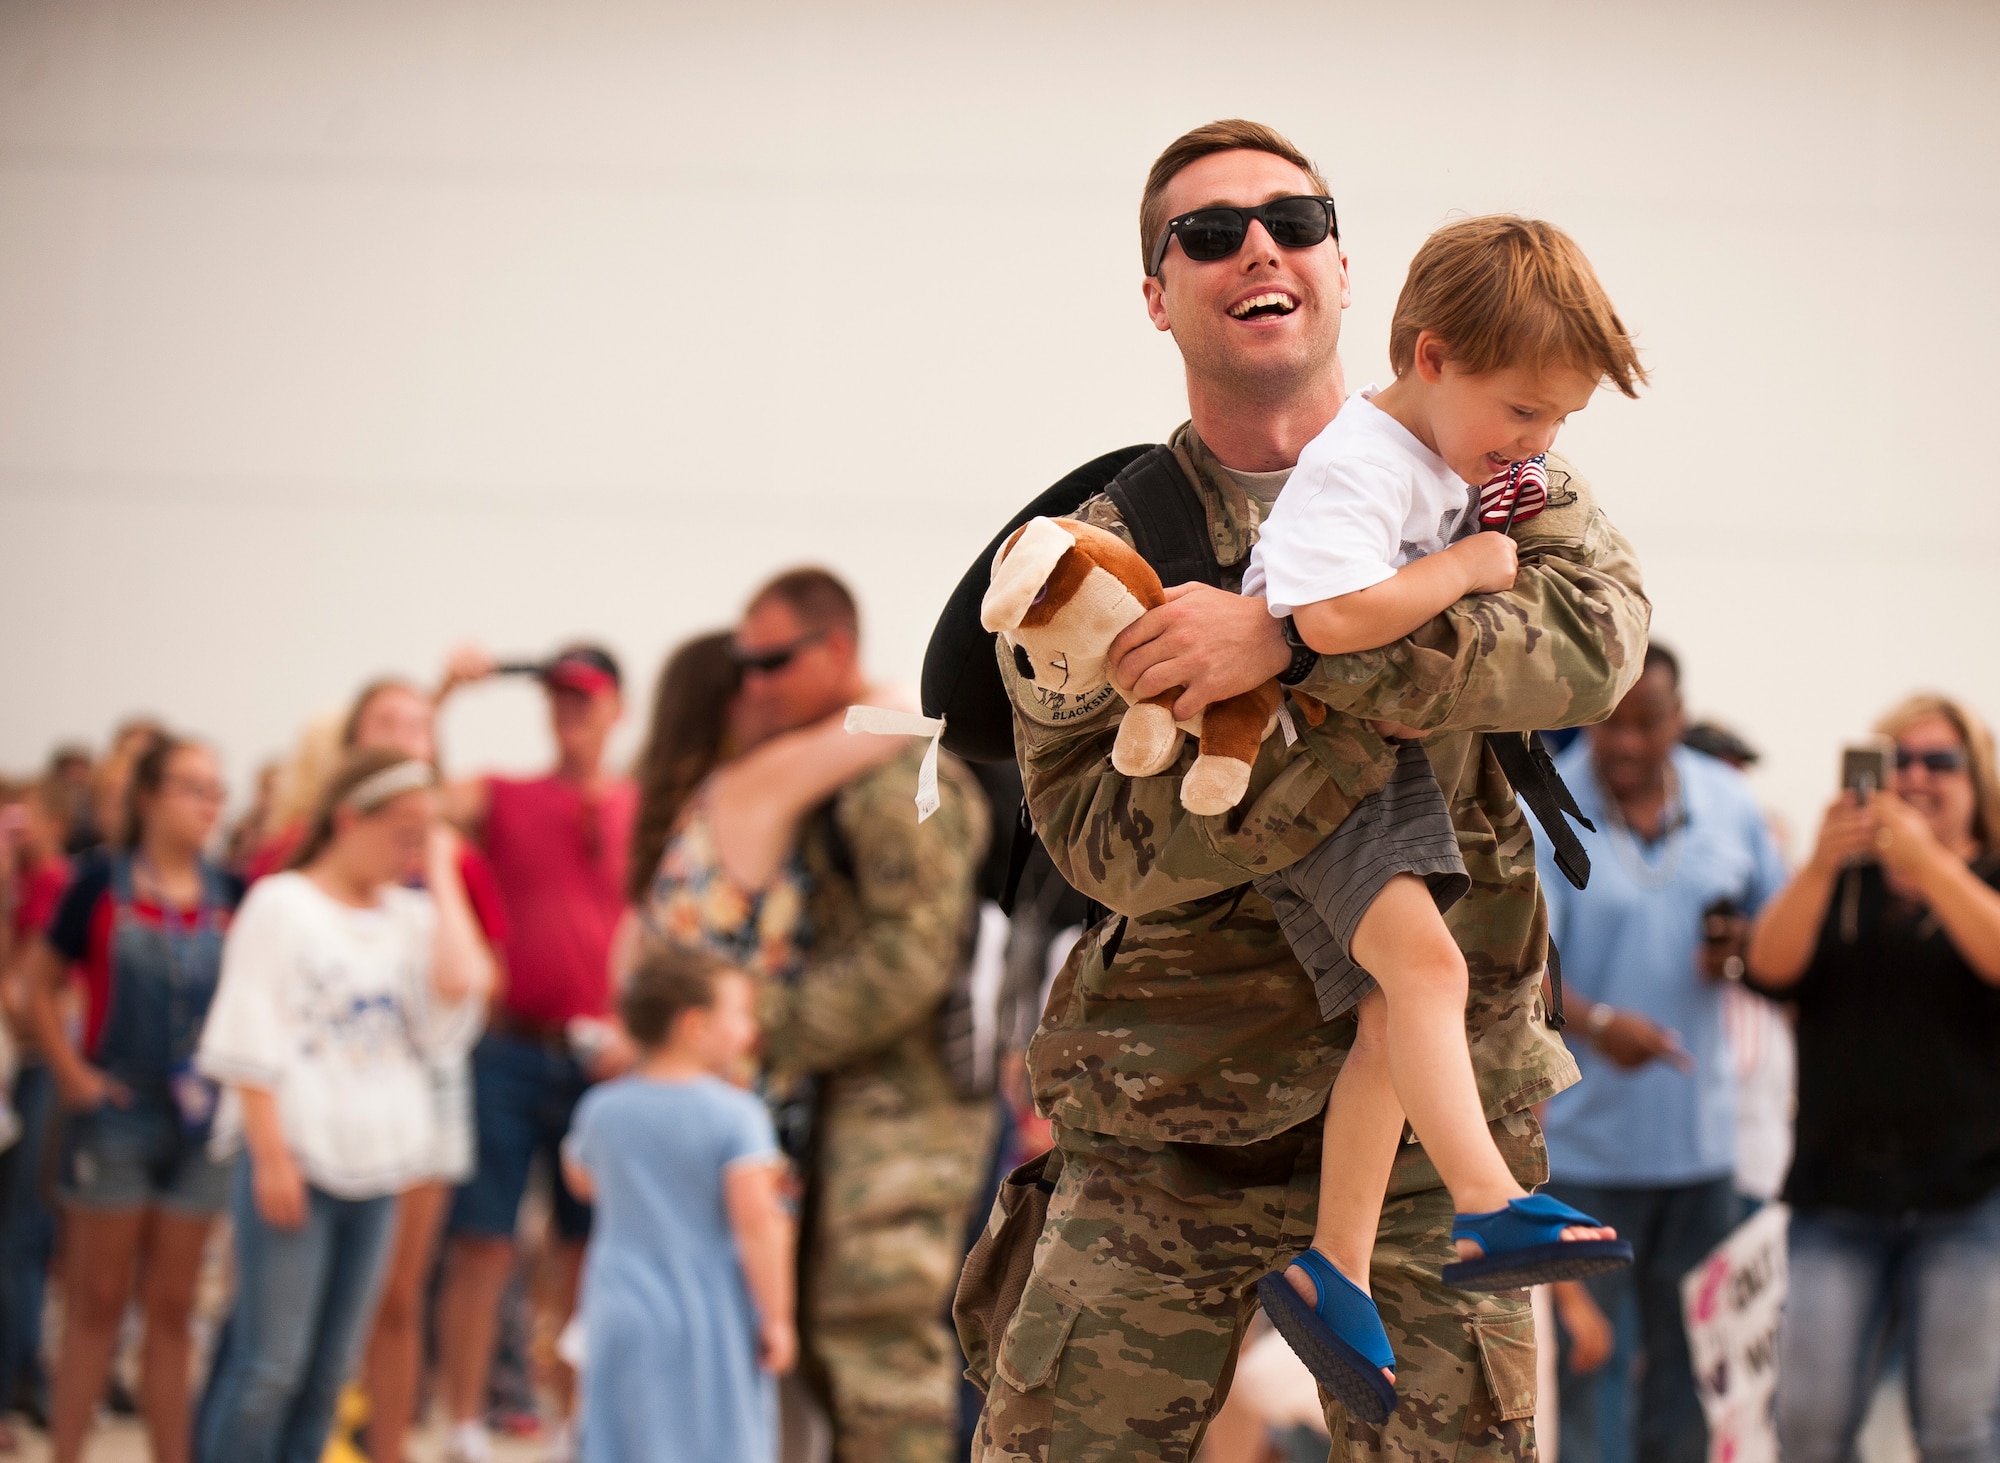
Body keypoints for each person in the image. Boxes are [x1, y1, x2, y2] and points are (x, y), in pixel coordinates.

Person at [958, 119, 1649, 1462]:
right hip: (1171, 1122)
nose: (1258, 246)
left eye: (1295, 218)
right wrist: (1360, 676)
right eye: (1208, 233)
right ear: (1158, 294)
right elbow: (1115, 846)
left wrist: (1286, 643)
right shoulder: (1092, 563)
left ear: (1347, 270)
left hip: (1435, 1145)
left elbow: (1591, 649)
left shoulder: (1499, 471)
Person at [1234, 215, 1640, 1413]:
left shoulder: (1433, 461)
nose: (1538, 438)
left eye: (1557, 420)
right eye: (1521, 410)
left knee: (1386, 1011)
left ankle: (1333, 1269)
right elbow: (1323, 617)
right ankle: (1484, 1203)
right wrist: (1465, 566)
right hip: (1304, 757)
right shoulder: (1362, 461)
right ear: (1431, 354)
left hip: (1358, 761)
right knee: (1427, 975)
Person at [719, 569, 994, 1463]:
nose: (755, 683)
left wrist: (764, 1021)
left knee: (880, 1346)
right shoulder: (838, 769)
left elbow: (910, 956)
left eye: (774, 661)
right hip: (854, 1098)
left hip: (907, 1109)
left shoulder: (891, 779)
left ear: (836, 649)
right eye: (743, 667)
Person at [1524, 646, 1785, 1463]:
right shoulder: (1548, 807)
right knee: (1593, 1368)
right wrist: (1600, 1025)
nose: (1627, 741)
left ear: (1678, 720)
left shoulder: (1729, 804)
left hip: (1701, 1155)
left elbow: (1780, 941)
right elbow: (1524, 973)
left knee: (1691, 1375)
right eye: (1611, 720)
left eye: (1647, 721)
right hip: (1587, 1154)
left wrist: (1741, 948)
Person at [194, 747, 491, 1463]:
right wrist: (270, 1155)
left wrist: (444, 870)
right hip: (298, 1159)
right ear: (347, 818)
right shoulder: (282, 904)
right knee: (271, 1366)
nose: (412, 846)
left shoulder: (411, 916)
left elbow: (465, 978)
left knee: (330, 1373)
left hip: (379, 1167)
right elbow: (248, 1035)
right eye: (403, 828)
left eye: (427, 831)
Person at [253, 677, 509, 1463]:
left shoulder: (449, 853)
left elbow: (482, 977)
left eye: (419, 725)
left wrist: (435, 862)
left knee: (397, 1296)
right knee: (299, 1320)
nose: (405, 736)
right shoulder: (300, 851)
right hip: (319, 1084)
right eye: (387, 722)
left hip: (421, 1078)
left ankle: (385, 1445)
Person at [1745, 694, 2000, 1463]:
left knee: (1956, 1429)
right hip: (1838, 1192)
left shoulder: (1988, 873)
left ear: (1976, 777)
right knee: (1809, 1427)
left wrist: (1931, 865)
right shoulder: (1841, 880)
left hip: (1967, 1197)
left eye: (1940, 761)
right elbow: (1769, 965)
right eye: (1901, 761)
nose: (1918, 777)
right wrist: (1822, 863)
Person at [433, 644, 637, 1463]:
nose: (571, 715)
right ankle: (461, 1421)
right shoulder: (504, 793)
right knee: (483, 1240)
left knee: (586, 1248)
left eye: (585, 700)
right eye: (558, 700)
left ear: (617, 706)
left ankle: (575, 1420)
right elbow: (409, 798)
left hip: (606, 1058)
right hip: (510, 1048)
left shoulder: (646, 803)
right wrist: (444, 697)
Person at [22, 735, 241, 1463]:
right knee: (97, 1302)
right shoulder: (99, 883)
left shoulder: (228, 892)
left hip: (197, 1117)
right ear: (148, 795)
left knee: (175, 1308)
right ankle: (70, 1450)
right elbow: (38, 985)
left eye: (216, 789)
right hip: (115, 1108)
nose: (208, 803)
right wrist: (70, 1070)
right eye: (191, 787)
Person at [561, 942, 795, 1463]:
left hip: (618, 1309)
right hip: (706, 1313)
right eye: (739, 1014)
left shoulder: (602, 1108)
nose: (749, 1029)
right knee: (714, 1441)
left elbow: (582, 1178)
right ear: (696, 1026)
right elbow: (759, 1223)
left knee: (623, 1440)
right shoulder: (737, 1116)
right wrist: (777, 1317)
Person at [0, 777, 71, 1438]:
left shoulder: (51, 886)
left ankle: (18, 1380)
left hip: (35, 1071)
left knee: (23, 1235)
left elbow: (24, 1007)